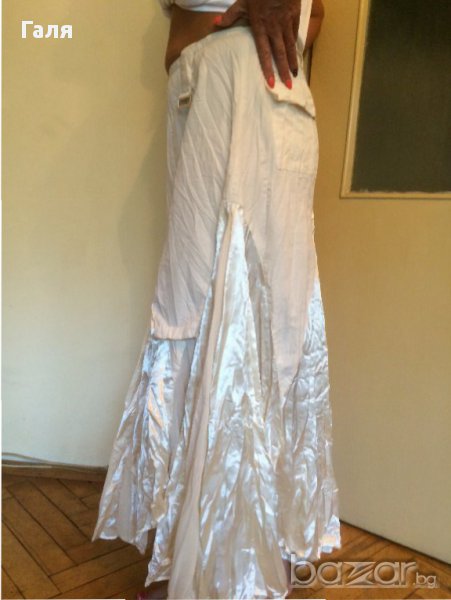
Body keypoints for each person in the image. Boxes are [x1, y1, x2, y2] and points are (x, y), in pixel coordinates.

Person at [91, 0, 341, 598]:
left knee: (255, 319)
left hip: (251, 83)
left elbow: (316, 14)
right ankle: (200, 554)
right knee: (196, 311)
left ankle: (232, 564)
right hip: (212, 83)